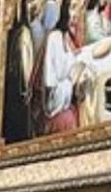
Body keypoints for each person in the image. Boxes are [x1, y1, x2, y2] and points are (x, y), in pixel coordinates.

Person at [43, 0, 84, 129]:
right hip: (56, 104)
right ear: (65, 11)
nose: (76, 14)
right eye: (73, 8)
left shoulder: (67, 36)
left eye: (78, 9)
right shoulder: (54, 38)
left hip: (68, 96)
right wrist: (71, 81)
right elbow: (50, 84)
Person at [3, 0, 37, 141]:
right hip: (18, 86)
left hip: (18, 85)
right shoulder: (22, 33)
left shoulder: (22, 32)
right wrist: (26, 89)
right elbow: (23, 65)